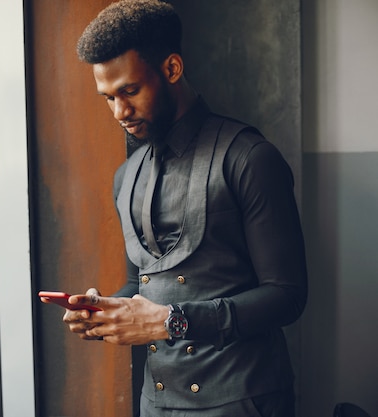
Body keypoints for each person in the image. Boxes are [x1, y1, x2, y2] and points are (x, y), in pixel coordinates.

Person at [43, 1, 308, 416]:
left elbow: (288, 297)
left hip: (243, 402)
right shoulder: (125, 177)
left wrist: (172, 321)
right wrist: (105, 311)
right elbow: (142, 286)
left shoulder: (250, 157)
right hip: (157, 403)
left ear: (171, 69)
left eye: (130, 91)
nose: (120, 112)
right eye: (108, 97)